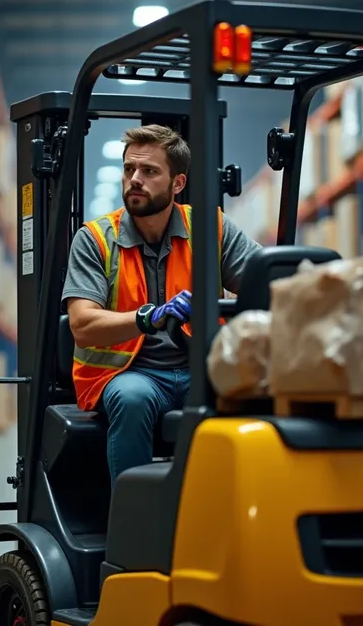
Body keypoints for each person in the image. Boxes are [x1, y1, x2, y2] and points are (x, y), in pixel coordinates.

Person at [62, 124, 261, 486]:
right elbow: (82, 324)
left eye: (149, 171)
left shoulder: (210, 228)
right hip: (129, 374)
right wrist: (148, 317)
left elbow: (263, 282)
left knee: (255, 391)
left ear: (178, 184)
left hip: (198, 367)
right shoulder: (95, 239)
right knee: (133, 399)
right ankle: (132, 527)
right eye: (129, 170)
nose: (134, 180)